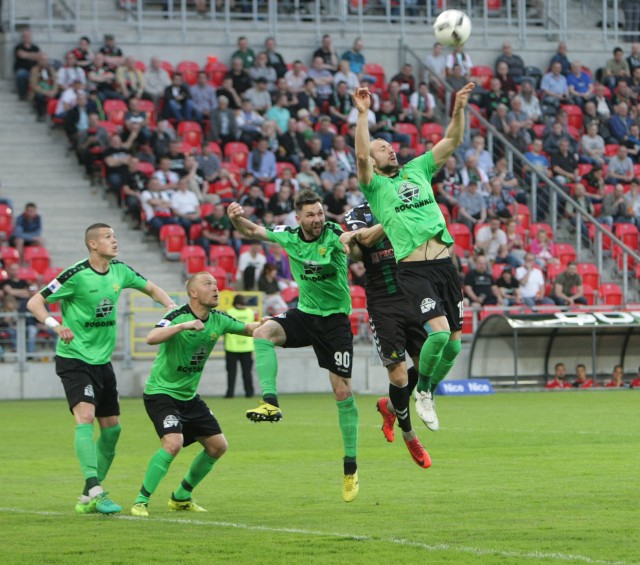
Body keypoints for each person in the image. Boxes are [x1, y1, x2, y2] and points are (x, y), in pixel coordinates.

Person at [352, 81, 475, 439]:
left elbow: (451, 141)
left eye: (389, 146)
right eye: (380, 148)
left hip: (444, 266)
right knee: (437, 335)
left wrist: (458, 110)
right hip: (413, 269)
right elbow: (360, 157)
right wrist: (363, 115)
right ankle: (422, 393)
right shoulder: (375, 187)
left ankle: (426, 391)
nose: (388, 150)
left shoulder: (418, 168)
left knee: (453, 346)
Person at [27, 223, 176, 515]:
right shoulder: (75, 274)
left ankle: (86, 497)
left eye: (115, 236)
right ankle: (96, 489)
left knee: (112, 430)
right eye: (108, 237)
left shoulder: (120, 270)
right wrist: (56, 325)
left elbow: (152, 288)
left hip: (102, 362)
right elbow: (36, 302)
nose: (115, 241)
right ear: (93, 244)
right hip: (74, 359)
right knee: (86, 416)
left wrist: (171, 306)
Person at [227, 190, 360, 502]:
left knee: (342, 392)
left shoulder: (334, 234)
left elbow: (351, 246)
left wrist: (354, 244)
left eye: (320, 213)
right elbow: (252, 230)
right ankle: (270, 401)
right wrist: (235, 219)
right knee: (263, 333)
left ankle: (350, 468)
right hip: (306, 315)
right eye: (310, 215)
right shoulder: (287, 235)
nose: (317, 219)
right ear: (297, 218)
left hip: (336, 321)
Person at [130, 272, 261, 517]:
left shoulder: (218, 319)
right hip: (161, 393)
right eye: (208, 284)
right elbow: (151, 337)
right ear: (193, 292)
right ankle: (140, 501)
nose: (215, 288)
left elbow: (248, 328)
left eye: (216, 283)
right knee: (173, 443)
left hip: (189, 397)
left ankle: (181, 497)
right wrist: (183, 326)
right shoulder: (177, 315)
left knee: (217, 446)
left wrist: (276, 323)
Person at [341, 202, 431, 467]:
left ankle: (390, 407)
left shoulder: (404, 201)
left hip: (413, 293)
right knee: (400, 375)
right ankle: (409, 434)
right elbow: (363, 244)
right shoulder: (356, 213)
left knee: (430, 364)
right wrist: (394, 218)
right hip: (383, 303)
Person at [223, 293, 255, 399]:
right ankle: (249, 393)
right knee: (247, 373)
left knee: (231, 373)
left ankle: (230, 394)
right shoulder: (250, 312)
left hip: (232, 347)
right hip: (246, 347)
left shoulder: (229, 312)